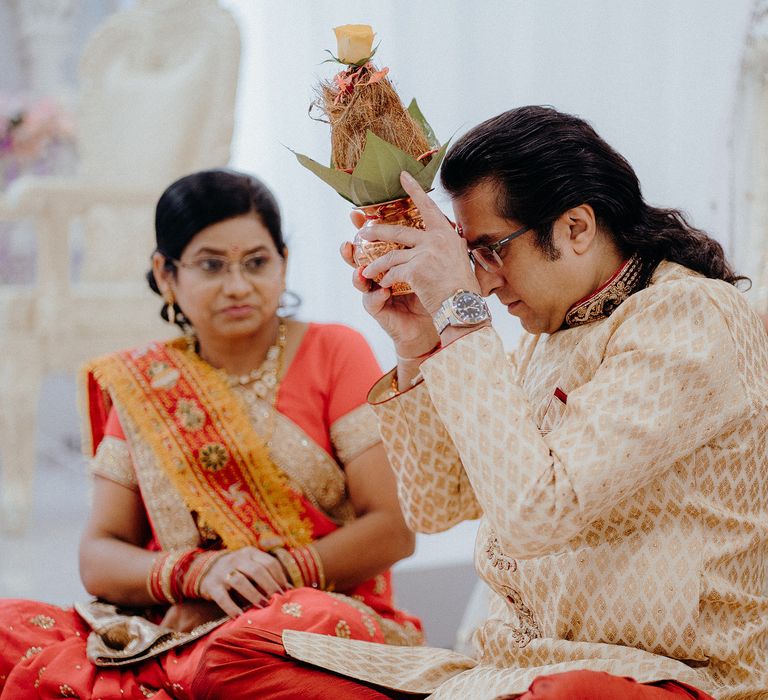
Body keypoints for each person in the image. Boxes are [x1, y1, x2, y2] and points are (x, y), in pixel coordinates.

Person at [259, 106, 768, 699]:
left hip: (664, 676)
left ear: (576, 227)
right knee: (254, 645)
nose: (484, 282)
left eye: (492, 249)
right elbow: (437, 503)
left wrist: (461, 318)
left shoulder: (689, 318)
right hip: (509, 671)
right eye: (469, 257)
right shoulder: (544, 338)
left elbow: (534, 517)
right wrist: (419, 341)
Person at [0, 169, 422, 699]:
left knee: (250, 646)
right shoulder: (144, 383)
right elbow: (100, 556)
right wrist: (200, 573)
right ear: (166, 272)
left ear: (283, 261)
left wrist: (261, 580)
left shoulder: (334, 351)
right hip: (169, 627)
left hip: (304, 620)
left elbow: (391, 530)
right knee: (6, 627)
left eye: (257, 262)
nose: (238, 285)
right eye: (211, 265)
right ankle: (175, 671)